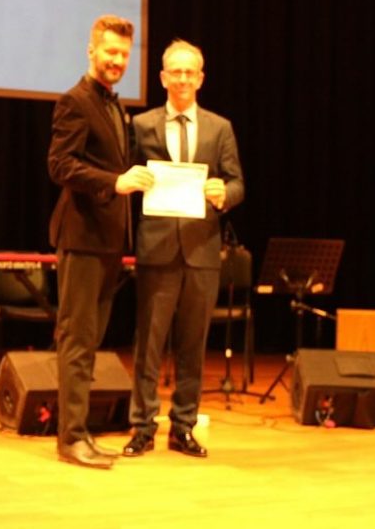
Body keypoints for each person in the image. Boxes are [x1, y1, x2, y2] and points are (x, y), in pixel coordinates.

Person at [123, 39, 244, 458]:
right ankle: (142, 427)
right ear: (162, 77)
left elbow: (237, 183)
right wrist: (134, 178)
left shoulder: (219, 128)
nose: (183, 79)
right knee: (148, 344)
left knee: (193, 345)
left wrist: (224, 194)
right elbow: (125, 173)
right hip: (156, 248)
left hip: (202, 251)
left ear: (201, 78)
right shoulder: (141, 125)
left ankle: (183, 427)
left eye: (190, 72)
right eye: (175, 71)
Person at [47, 14, 154, 469]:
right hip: (83, 237)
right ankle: (70, 438)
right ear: (91, 51)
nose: (118, 60)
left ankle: (81, 432)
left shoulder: (114, 105)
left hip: (109, 242)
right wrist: (116, 181)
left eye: (125, 54)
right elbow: (60, 165)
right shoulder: (74, 101)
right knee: (77, 340)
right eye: (111, 51)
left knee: (90, 342)